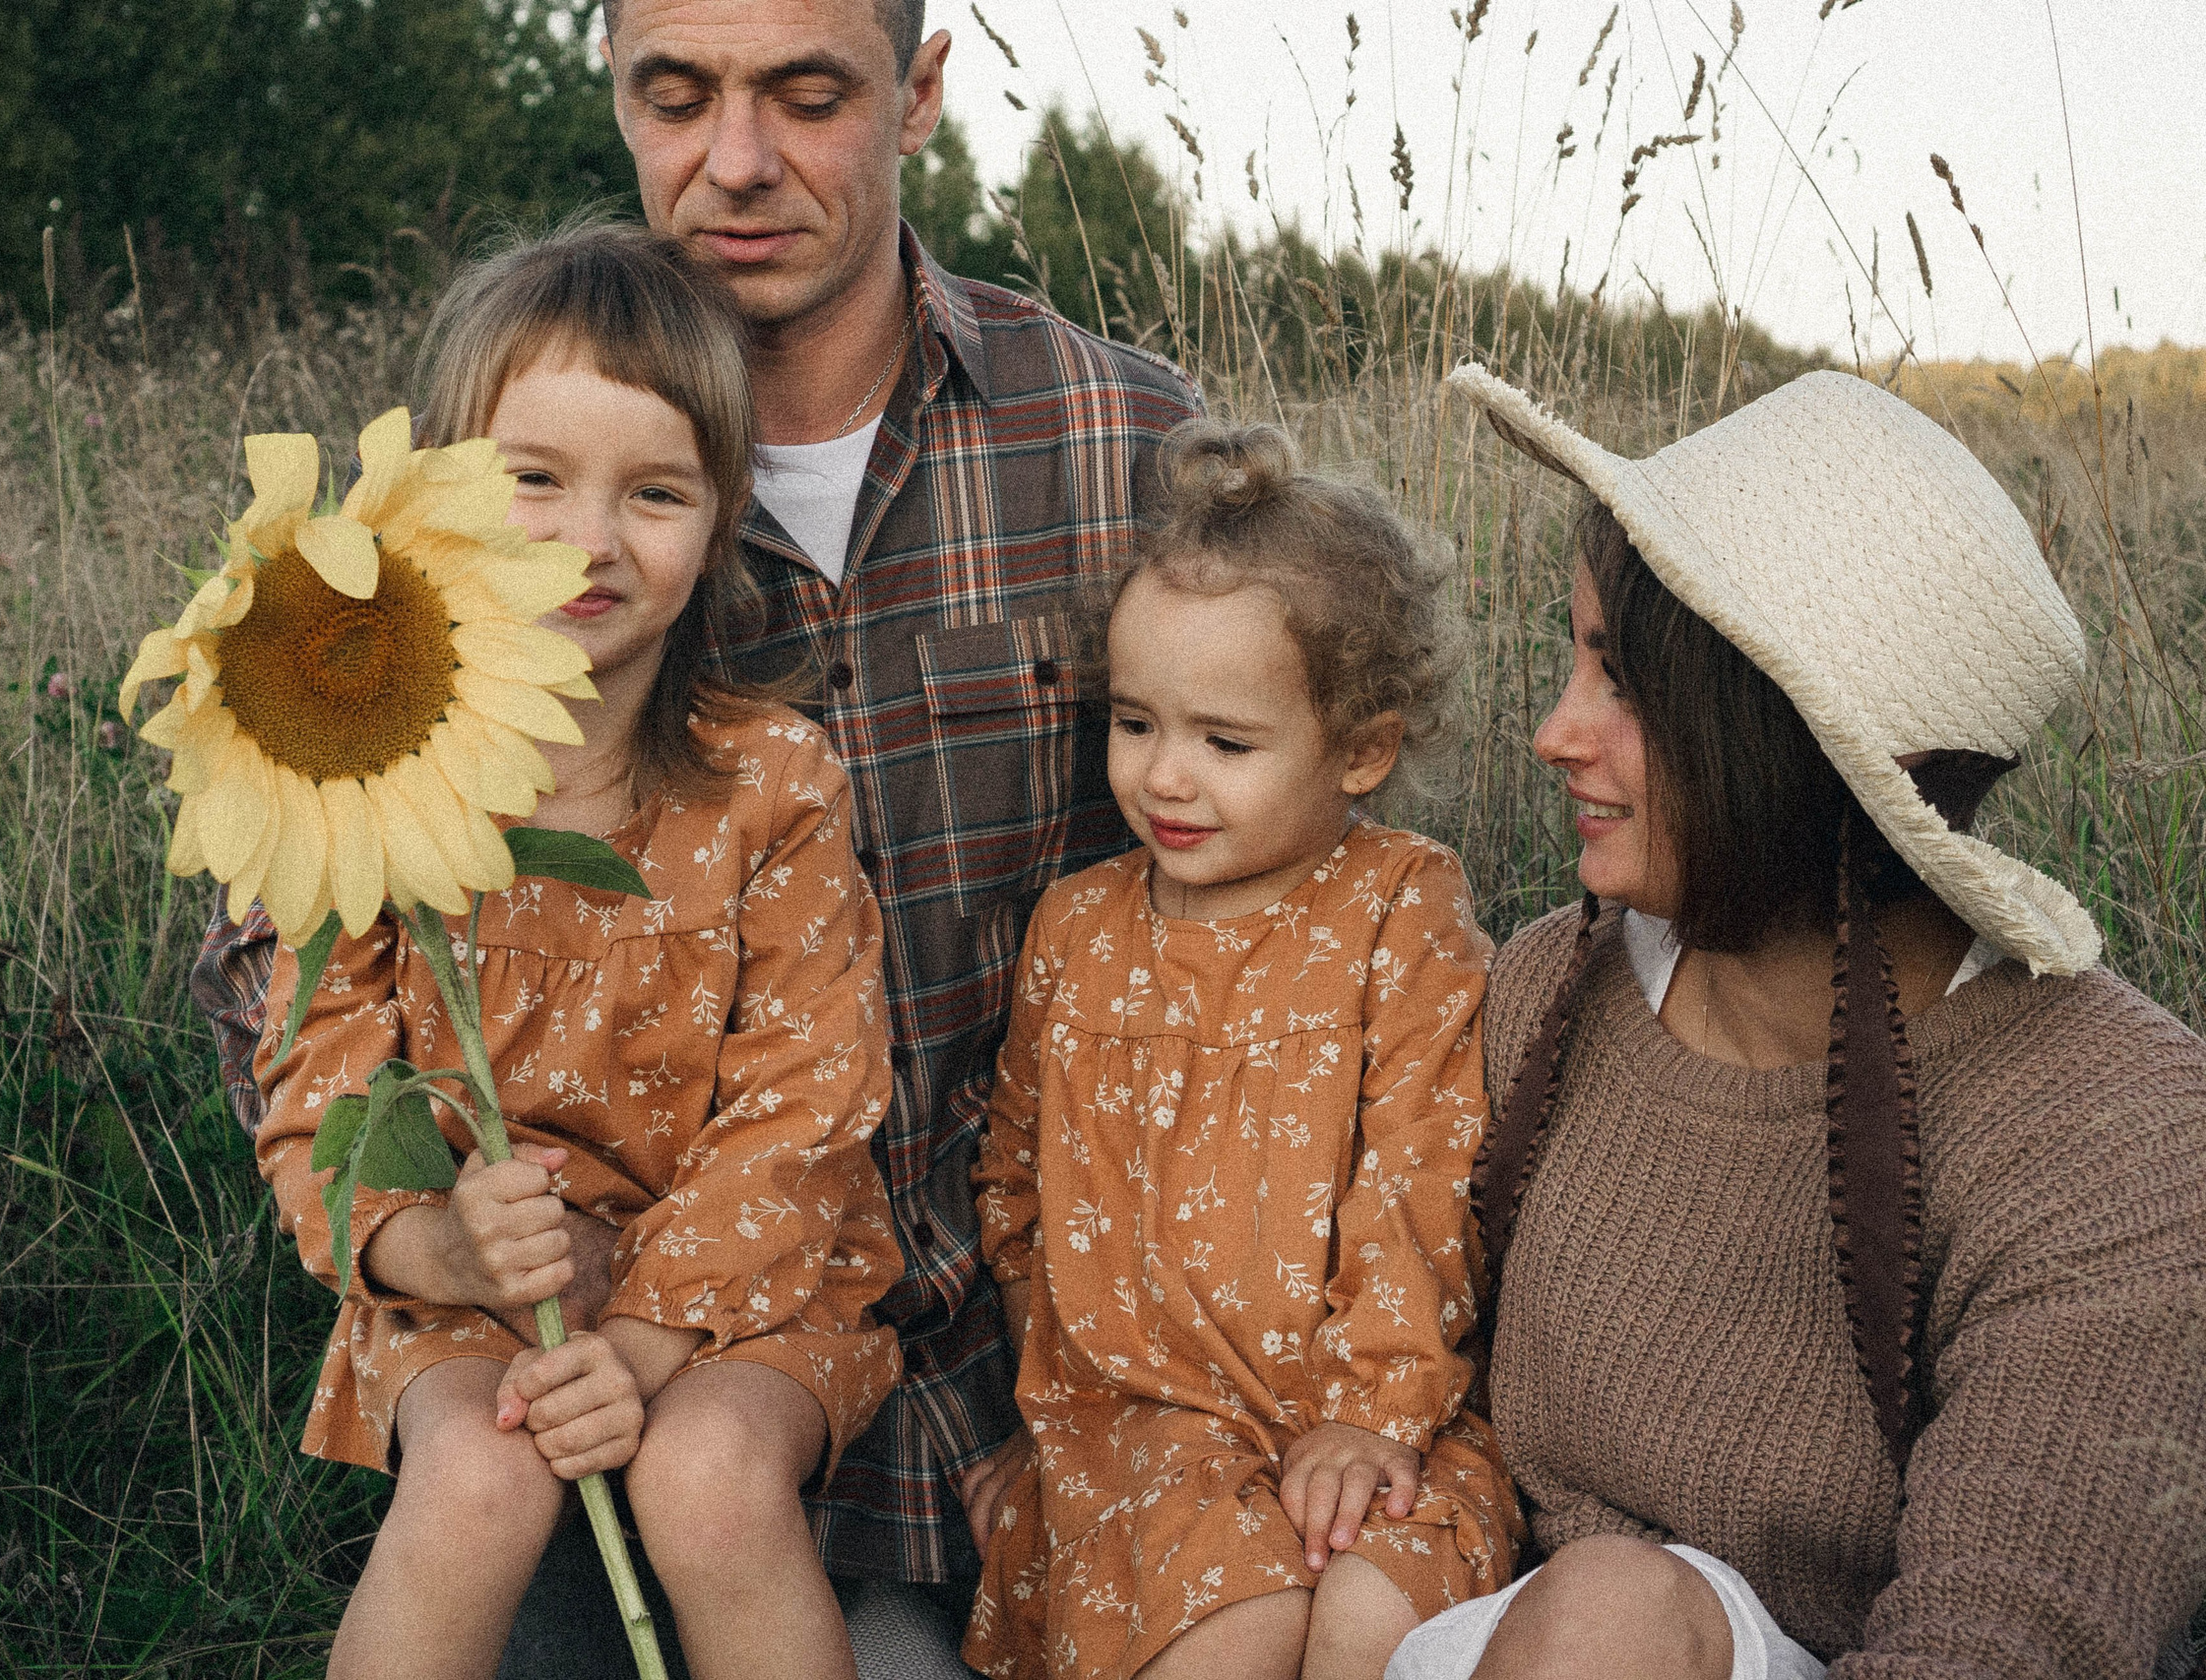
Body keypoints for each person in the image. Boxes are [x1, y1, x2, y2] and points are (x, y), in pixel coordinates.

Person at [194, 1, 1199, 1671]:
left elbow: (1268, 897)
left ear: (921, 92)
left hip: (958, 1379)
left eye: (808, 95)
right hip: (526, 1362)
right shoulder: (441, 560)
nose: (736, 162)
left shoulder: (1120, 447)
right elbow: (290, 995)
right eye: (678, 95)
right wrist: (433, 1229)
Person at [1386, 364, 2206, 1678]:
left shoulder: (2116, 1133)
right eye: (1574, 654)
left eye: (1627, 682)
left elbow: (2010, 1633)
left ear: (1779, 738)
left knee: (1606, 1615)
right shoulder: (1547, 990)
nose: (1553, 731)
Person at [252, 223, 904, 1680]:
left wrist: (654, 1338)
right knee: (477, 1478)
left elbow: (806, 1105)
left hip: (745, 1292)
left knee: (707, 1482)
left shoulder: (772, 782)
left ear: (725, 515)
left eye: (655, 491)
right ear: (432, 500)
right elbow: (319, 1095)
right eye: (530, 480)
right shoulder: (368, 785)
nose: (590, 538)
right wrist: (439, 1237)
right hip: (474, 1278)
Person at [958, 422, 1520, 1680]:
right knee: (1234, 1629)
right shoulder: (1081, 925)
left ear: (1360, 750)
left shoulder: (1395, 905)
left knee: (1376, 1609)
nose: (1165, 777)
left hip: (1380, 1407)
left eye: (1224, 741)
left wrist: (1372, 1417)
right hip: (1149, 1430)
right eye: (1134, 722)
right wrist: (1047, 1413)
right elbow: (1015, 1185)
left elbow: (1429, 1175)